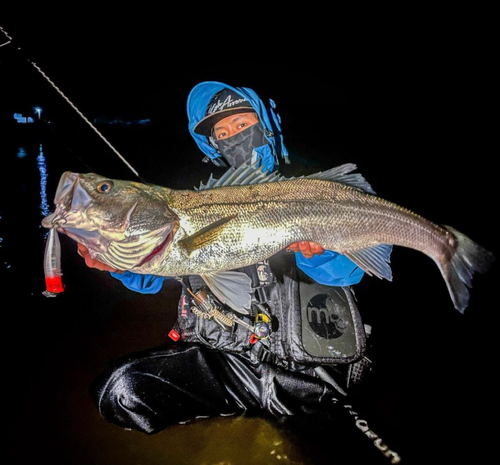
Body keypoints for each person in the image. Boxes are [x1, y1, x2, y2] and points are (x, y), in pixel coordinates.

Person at [80, 81, 377, 441]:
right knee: (121, 392)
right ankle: (231, 429)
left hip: (307, 370)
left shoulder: (306, 189)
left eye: (241, 124)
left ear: (265, 124)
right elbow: (158, 276)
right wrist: (119, 263)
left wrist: (320, 251)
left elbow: (351, 272)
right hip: (229, 360)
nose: (232, 136)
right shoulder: (201, 201)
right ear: (212, 144)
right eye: (221, 132)